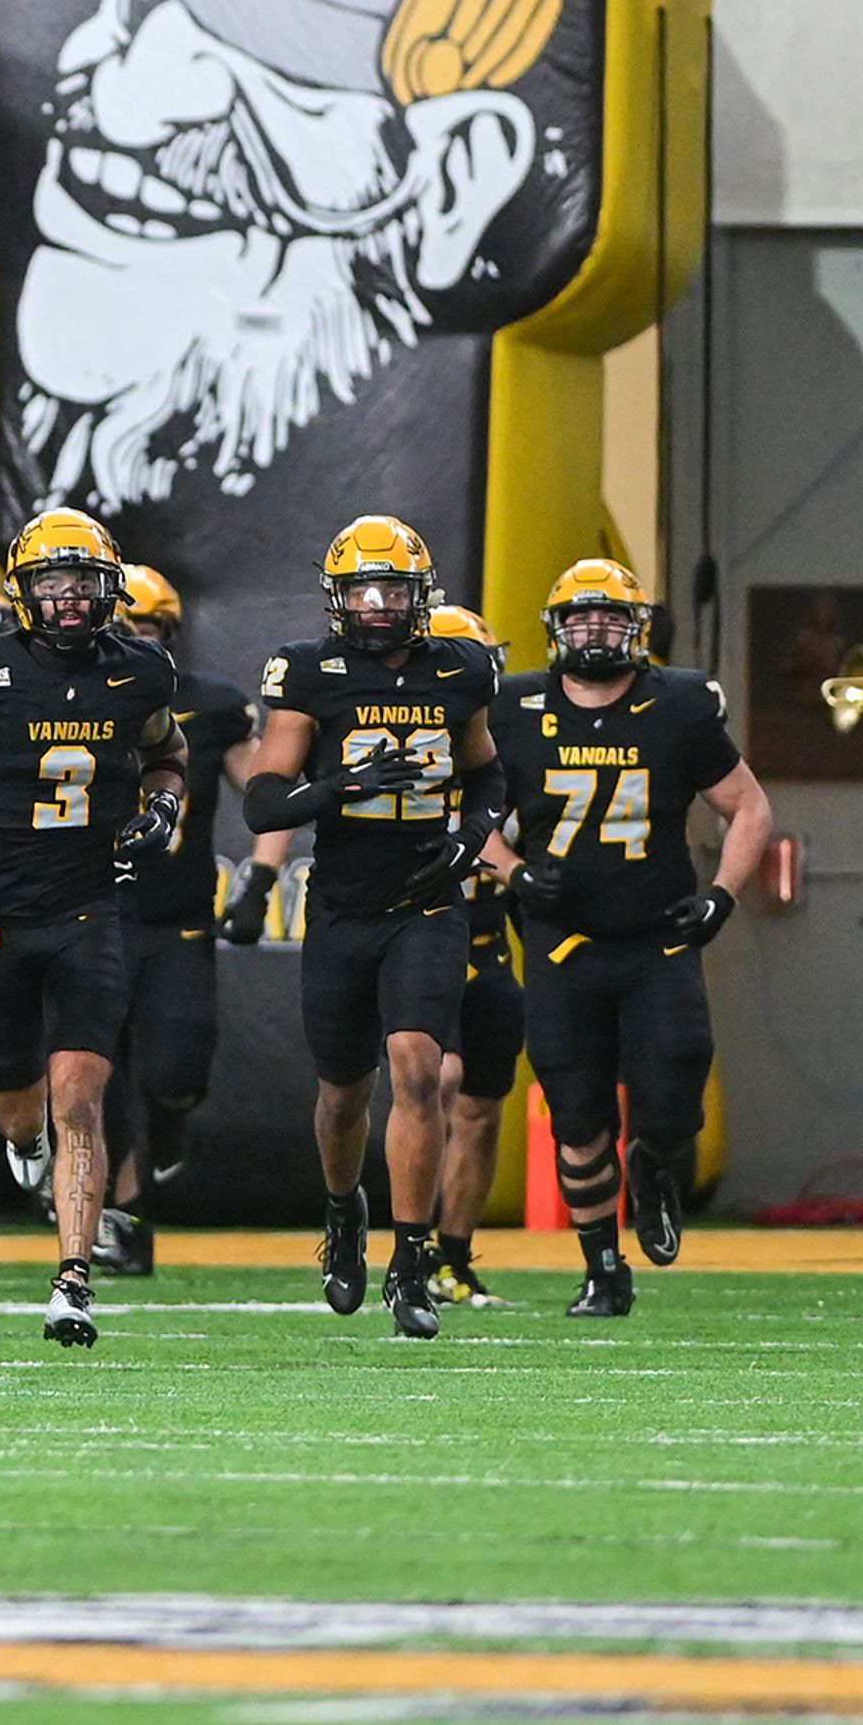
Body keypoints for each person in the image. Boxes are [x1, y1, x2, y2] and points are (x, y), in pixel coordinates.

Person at [0, 508, 186, 1346]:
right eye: (53, 585)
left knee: (80, 1097)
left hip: (90, 908)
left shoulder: (141, 672)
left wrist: (163, 804)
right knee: (17, 1108)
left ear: (109, 589)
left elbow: (168, 753)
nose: (68, 600)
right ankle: (25, 1151)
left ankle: (73, 1279)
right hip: (1, 914)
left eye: (84, 583)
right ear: (25, 593)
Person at [484, 558, 771, 1317]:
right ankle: (604, 1268)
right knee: (577, 1116)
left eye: (611, 618)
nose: (596, 632)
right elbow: (465, 815)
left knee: (674, 1096)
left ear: (639, 629)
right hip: (562, 944)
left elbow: (748, 807)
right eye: (582, 619)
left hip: (658, 938)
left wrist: (721, 898)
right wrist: (513, 871)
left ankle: (655, 1163)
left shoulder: (677, 703)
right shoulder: (515, 708)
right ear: (556, 631)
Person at [240, 517, 503, 1339]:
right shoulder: (311, 671)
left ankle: (411, 1258)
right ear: (340, 598)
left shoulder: (459, 667)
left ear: (422, 596)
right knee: (344, 1093)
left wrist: (470, 838)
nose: (382, 604)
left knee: (418, 1065)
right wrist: (340, 786)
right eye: (365, 590)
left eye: (395, 590)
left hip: (428, 901)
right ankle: (343, 1209)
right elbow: (262, 798)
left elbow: (489, 770)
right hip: (345, 905)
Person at [96, 562, 256, 1279]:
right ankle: (124, 1218)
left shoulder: (210, 704)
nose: (138, 636)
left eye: (151, 625)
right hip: (94, 910)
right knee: (99, 1071)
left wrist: (273, 859)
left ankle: (161, 1138)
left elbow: (266, 788)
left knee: (175, 1070)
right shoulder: (69, 697)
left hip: (177, 914)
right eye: (126, 623)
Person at [426, 603, 528, 1309]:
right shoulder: (391, 731)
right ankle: (410, 1240)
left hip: (488, 936)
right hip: (418, 925)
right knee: (440, 1078)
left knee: (483, 1106)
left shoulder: (514, 740)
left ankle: (453, 1254)